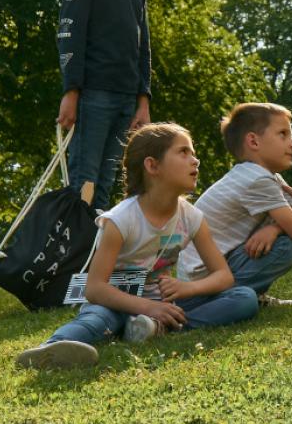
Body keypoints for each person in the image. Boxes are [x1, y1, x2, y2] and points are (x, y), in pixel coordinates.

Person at [15, 123, 258, 369]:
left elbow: (224, 277)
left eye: (192, 153)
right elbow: (95, 289)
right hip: (115, 305)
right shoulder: (120, 220)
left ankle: (155, 328)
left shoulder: (192, 218)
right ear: (152, 166)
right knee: (96, 319)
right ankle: (49, 350)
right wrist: (148, 307)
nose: (195, 160)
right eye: (183, 152)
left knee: (244, 297)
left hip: (164, 306)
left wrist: (187, 289)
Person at [55, 0, 154, 210]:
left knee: (107, 185)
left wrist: (143, 100)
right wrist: (72, 91)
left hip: (127, 98)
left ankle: (95, 258)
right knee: (84, 181)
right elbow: (70, 32)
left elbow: (143, 45)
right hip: (93, 95)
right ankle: (74, 256)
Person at [176, 103, 292, 306]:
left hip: (218, 267)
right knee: (286, 247)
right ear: (253, 141)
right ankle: (219, 299)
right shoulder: (256, 180)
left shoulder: (267, 177)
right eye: (283, 134)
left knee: (281, 238)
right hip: (202, 280)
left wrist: (275, 228)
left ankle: (243, 295)